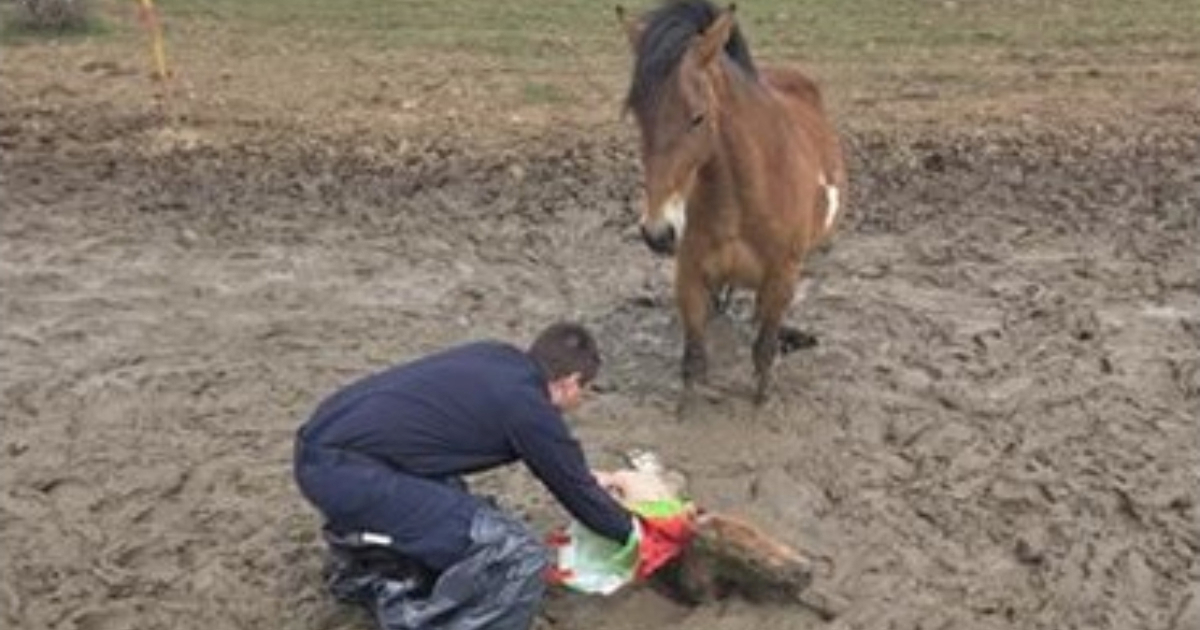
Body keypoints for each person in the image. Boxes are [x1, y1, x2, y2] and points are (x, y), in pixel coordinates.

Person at [293, 322, 636, 630]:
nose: (581, 402)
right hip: (347, 475)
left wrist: (588, 480)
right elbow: (574, 491)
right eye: (585, 393)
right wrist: (634, 535)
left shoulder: (497, 358)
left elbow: (562, 467)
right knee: (516, 555)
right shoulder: (528, 407)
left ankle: (368, 569)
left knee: (460, 507)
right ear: (571, 383)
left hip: (324, 446)